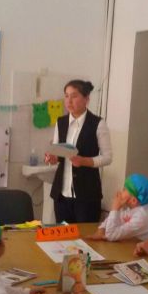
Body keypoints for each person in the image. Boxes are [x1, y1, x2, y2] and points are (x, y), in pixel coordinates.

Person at [45, 79, 112, 223]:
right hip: (62, 194)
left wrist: (84, 161)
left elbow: (107, 157)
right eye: (66, 96)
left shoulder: (98, 123)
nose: (69, 101)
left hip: (87, 195)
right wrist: (52, 158)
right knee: (63, 233)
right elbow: (58, 153)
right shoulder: (61, 122)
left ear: (86, 99)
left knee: (85, 235)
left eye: (74, 96)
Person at [86, 173, 148, 241]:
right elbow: (112, 221)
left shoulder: (142, 216)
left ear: (133, 200)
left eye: (124, 190)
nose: (120, 192)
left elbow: (111, 235)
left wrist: (115, 208)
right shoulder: (133, 209)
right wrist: (101, 231)